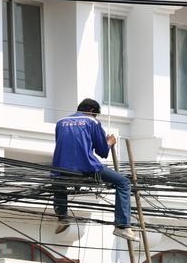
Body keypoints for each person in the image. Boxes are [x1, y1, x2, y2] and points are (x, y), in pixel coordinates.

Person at [51, 98, 137, 242]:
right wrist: (109, 142)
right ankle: (122, 226)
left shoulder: (60, 122)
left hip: (60, 166)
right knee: (124, 182)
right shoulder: (92, 121)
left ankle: (62, 218)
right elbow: (102, 151)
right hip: (87, 166)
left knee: (59, 181)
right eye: (95, 114)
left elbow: (65, 145)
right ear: (91, 111)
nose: (96, 117)